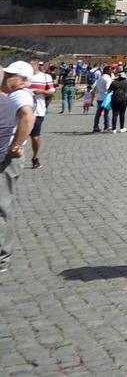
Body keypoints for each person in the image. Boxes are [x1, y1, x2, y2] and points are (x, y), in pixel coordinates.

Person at [1, 61, 38, 275]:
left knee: (2, 206)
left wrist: (16, 145)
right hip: (8, 154)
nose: (7, 77)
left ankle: (2, 256)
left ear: (23, 79)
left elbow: (27, 116)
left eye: (11, 75)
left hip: (8, 156)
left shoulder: (19, 94)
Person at [24, 59, 53, 168]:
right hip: (22, 110)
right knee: (19, 134)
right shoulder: (23, 77)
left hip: (38, 111)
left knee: (35, 136)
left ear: (37, 66)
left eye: (31, 65)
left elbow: (51, 93)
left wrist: (41, 92)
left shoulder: (46, 77)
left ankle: (35, 157)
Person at [91, 67, 113, 133]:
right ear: (107, 71)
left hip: (99, 97)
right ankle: (107, 126)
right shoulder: (108, 79)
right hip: (106, 97)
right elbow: (108, 88)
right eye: (110, 70)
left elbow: (95, 87)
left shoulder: (100, 78)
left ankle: (95, 126)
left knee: (98, 113)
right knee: (106, 112)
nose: (111, 72)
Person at [108, 69, 127, 134]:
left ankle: (114, 129)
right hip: (123, 99)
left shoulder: (114, 82)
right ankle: (122, 128)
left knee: (114, 114)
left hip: (115, 98)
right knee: (122, 114)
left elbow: (109, 90)